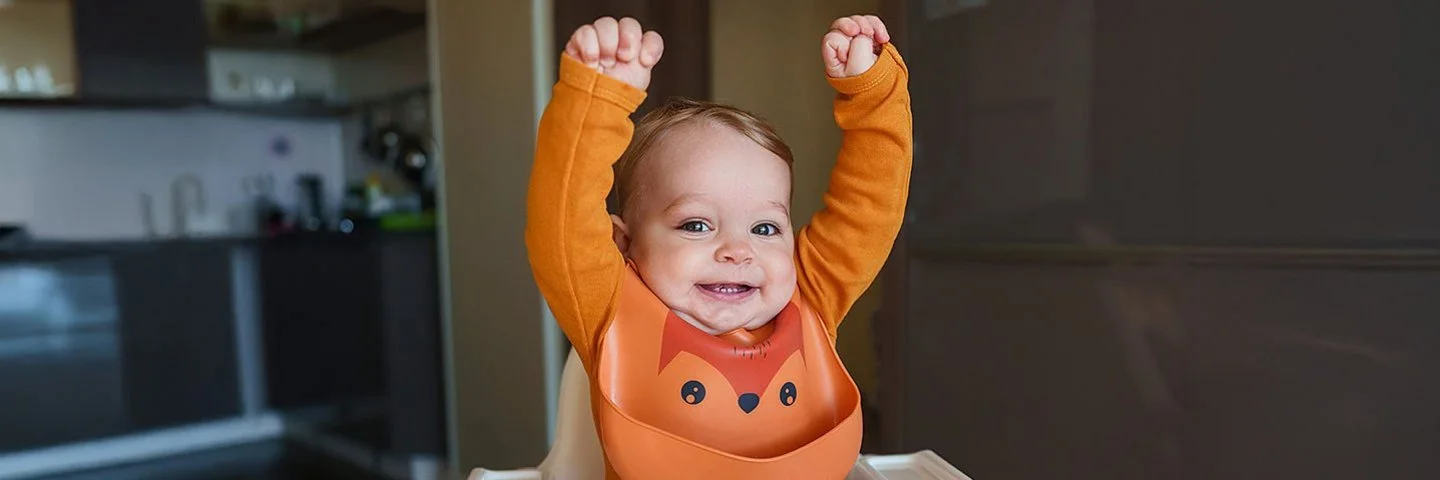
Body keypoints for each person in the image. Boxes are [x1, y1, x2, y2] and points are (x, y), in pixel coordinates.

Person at [525, 14, 911, 479]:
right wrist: (597, 103)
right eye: (696, 224)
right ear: (624, 241)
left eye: (765, 229)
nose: (737, 251)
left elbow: (870, 205)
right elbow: (562, 216)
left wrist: (874, 96)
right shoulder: (610, 307)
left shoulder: (810, 296)